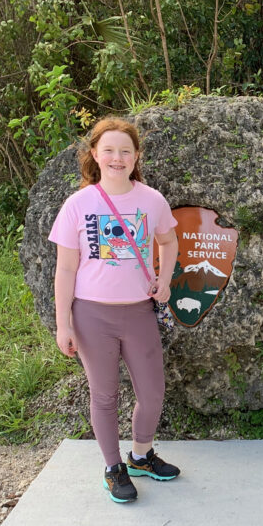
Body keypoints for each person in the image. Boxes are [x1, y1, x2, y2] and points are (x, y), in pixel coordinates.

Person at [49, 117, 181, 503]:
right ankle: (113, 468)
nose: (117, 158)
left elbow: (169, 242)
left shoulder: (151, 200)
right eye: (108, 150)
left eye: (125, 150)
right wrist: (63, 325)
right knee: (104, 395)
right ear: (94, 154)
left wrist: (165, 279)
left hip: (139, 311)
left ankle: (140, 455)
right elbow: (66, 269)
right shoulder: (78, 205)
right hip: (92, 315)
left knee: (152, 392)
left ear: (136, 156)